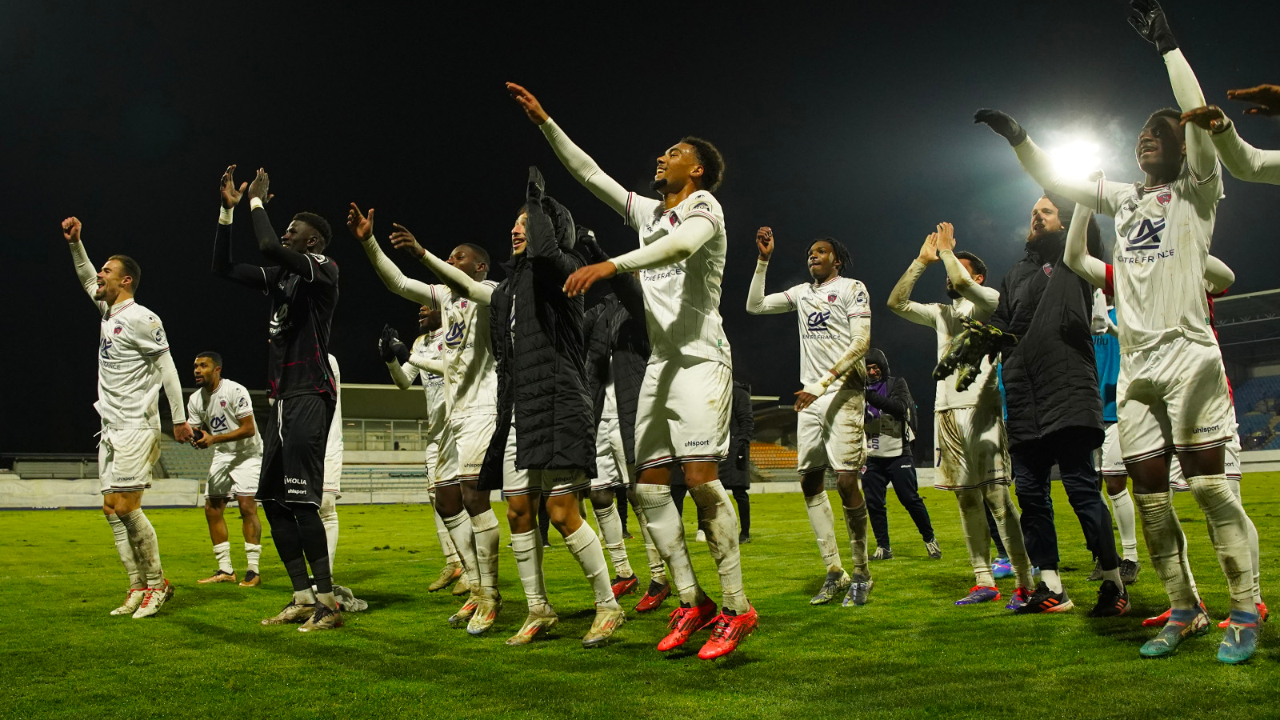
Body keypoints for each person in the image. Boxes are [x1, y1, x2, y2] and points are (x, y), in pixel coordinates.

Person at [993, 0, 1261, 662]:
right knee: (1150, 504)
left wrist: (1169, 49)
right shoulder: (1128, 198)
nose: (1149, 135)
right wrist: (1022, 140)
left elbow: (1198, 120)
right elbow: (1060, 181)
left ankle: (1246, 605)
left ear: (1182, 148)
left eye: (1160, 131)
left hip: (1191, 359)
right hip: (1140, 368)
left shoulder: (1198, 188)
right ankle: (1185, 607)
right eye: (1142, 132)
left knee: (1206, 489)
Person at [509, 82, 756, 659]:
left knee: (700, 481)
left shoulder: (703, 208)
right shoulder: (651, 212)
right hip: (662, 365)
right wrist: (547, 122)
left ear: (695, 169)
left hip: (700, 359)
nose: (661, 158)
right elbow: (590, 175)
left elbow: (678, 249)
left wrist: (608, 265)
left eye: (673, 152)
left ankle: (737, 607)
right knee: (647, 490)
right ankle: (691, 602)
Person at [369, 170, 624, 647]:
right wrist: (419, 254)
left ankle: (609, 605)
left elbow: (546, 255)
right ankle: (538, 608)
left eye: (526, 222)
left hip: (561, 403)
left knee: (564, 510)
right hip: (518, 411)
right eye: (515, 221)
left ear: (551, 228)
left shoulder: (564, 273)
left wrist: (537, 201)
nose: (516, 228)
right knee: (518, 511)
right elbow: (453, 287)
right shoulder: (503, 293)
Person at [346, 204, 502, 632]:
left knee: (473, 499)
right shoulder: (444, 298)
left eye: (459, 257)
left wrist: (422, 252)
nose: (451, 262)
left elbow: (451, 281)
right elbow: (397, 283)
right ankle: (474, 586)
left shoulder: (488, 291)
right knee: (449, 502)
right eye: (448, 257)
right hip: (449, 423)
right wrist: (369, 242)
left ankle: (490, 595)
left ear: (480, 266)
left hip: (482, 408)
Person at [212, 165, 342, 632]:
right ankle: (302, 597)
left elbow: (268, 244)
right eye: (284, 226)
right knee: (271, 499)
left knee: (302, 500)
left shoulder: (322, 269)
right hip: (283, 399)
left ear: (311, 243)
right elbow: (222, 268)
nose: (284, 233)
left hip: (310, 391)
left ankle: (329, 604)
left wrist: (256, 202)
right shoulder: (282, 280)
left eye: (294, 230)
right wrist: (229, 214)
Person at [887, 225, 1034, 608]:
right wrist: (922, 261)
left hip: (980, 408)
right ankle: (983, 579)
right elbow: (897, 303)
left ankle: (1025, 580)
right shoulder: (942, 314)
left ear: (976, 275)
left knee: (998, 498)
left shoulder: (989, 301)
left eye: (959, 269)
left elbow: (963, 283)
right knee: (966, 500)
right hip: (946, 411)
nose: (949, 278)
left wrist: (950, 254)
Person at [64, 216, 191, 619]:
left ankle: (158, 584)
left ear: (126, 282)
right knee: (110, 509)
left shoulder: (142, 318)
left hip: (138, 424)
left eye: (107, 271)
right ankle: (136, 585)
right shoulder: (107, 312)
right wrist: (75, 244)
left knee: (126, 506)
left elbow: (168, 368)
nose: (98, 275)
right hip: (111, 426)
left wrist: (180, 417)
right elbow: (86, 276)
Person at [746, 228, 873, 608]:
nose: (813, 256)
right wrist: (763, 261)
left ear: (837, 259)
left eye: (821, 252)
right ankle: (834, 571)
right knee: (810, 482)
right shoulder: (802, 293)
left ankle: (863, 572)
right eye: (810, 253)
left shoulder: (853, 288)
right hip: (811, 397)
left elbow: (861, 342)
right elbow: (754, 306)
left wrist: (824, 382)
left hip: (843, 391)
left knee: (847, 480)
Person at [580, 227, 650, 601]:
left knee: (642, 494)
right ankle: (623, 570)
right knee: (599, 493)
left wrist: (597, 251)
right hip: (599, 415)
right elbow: (576, 321)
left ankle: (659, 575)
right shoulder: (604, 311)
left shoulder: (648, 305)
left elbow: (628, 291)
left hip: (633, 414)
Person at [381, 307, 468, 595]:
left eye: (427, 304)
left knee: (465, 498)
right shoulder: (420, 343)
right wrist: (392, 360)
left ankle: (472, 568)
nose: (420, 308)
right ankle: (453, 562)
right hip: (436, 432)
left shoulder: (457, 331)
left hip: (461, 424)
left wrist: (409, 357)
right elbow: (404, 382)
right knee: (436, 496)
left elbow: (453, 369)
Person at [186, 351, 264, 588]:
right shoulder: (195, 400)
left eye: (203, 366)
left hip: (247, 454)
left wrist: (213, 439)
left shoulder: (235, 391)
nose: (197, 370)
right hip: (223, 454)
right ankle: (225, 569)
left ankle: (253, 570)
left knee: (246, 506)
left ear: (217, 369)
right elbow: (198, 430)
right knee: (212, 508)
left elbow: (249, 429)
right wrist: (194, 437)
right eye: (195, 366)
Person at [860, 349, 940, 564]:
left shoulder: (896, 384)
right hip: (872, 455)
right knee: (874, 504)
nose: (872, 371)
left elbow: (899, 408)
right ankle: (883, 547)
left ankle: (929, 539)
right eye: (868, 368)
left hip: (898, 452)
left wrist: (867, 395)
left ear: (884, 368)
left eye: (876, 367)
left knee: (910, 499)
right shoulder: (859, 388)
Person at [1091, 291, 1142, 586]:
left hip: (1116, 410)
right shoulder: (1082, 317)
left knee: (1114, 483)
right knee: (1089, 486)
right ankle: (1105, 555)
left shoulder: (1125, 313)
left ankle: (1131, 556)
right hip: (1086, 412)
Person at [317, 355, 366, 612]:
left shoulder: (326, 358)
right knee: (298, 510)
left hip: (326, 442)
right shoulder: (282, 360)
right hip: (296, 443)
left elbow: (324, 399)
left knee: (325, 506)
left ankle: (324, 577)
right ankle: (305, 583)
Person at [720, 380, 754, 544]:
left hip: (735, 449)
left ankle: (745, 532)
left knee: (739, 493)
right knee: (714, 493)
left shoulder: (739, 393)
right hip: (719, 448)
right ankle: (715, 530)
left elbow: (747, 420)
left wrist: (742, 444)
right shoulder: (717, 391)